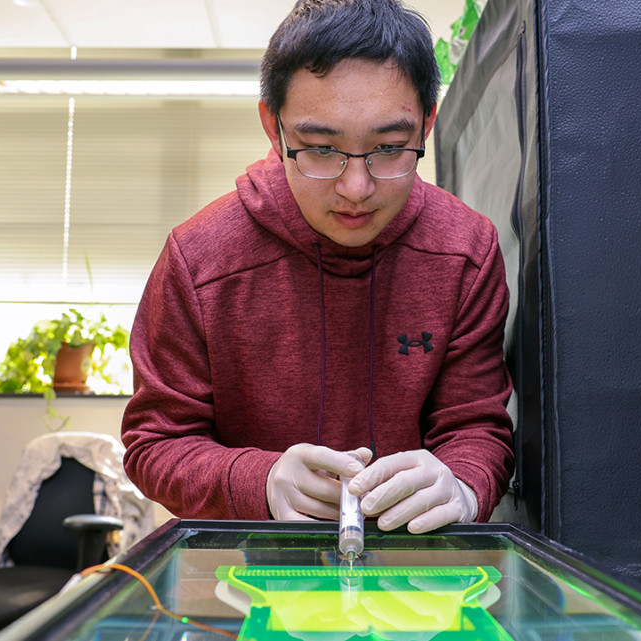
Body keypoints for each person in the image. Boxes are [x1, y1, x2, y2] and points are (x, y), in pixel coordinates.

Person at [121, 0, 513, 534]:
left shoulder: (466, 250)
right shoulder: (199, 258)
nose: (356, 189)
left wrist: (463, 486)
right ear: (272, 125)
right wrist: (258, 480)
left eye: (390, 148)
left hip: (418, 582)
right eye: (321, 149)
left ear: (427, 122)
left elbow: (476, 427)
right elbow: (155, 444)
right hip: (244, 580)